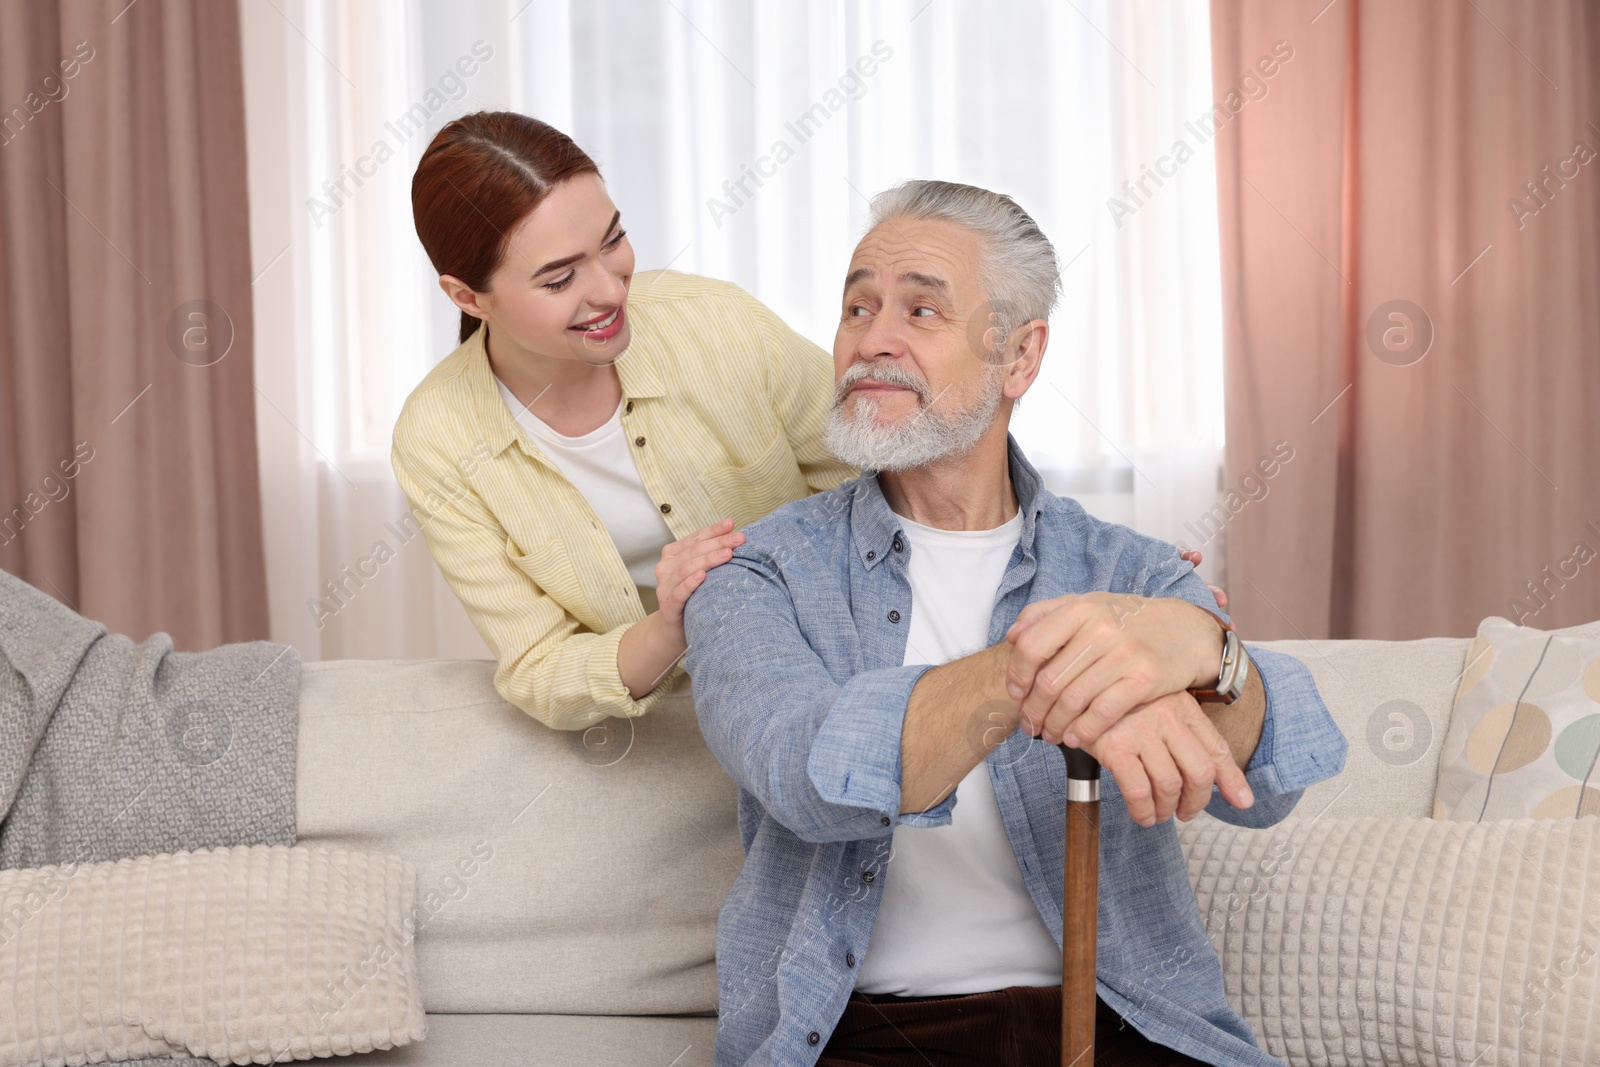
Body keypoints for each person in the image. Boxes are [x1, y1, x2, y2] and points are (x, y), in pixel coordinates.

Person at [681, 180, 1348, 1066]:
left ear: (1019, 356)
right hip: (866, 1036)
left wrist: (1208, 651)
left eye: (921, 309)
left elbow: (1266, 789)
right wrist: (1064, 658)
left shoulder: (1130, 571)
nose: (871, 339)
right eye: (857, 306)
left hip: (1124, 1026)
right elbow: (808, 775)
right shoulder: (756, 574)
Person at [390, 111, 855, 730]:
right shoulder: (438, 440)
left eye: (613, 241)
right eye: (560, 279)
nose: (611, 291)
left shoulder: (718, 323)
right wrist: (672, 623)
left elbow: (883, 475)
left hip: (831, 671)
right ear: (467, 298)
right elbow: (540, 668)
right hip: (658, 724)